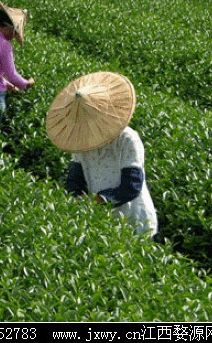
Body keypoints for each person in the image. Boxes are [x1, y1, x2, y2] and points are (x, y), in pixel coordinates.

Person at [46, 72, 159, 237]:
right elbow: (74, 181)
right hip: (105, 222)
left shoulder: (127, 139)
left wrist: (101, 200)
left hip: (134, 217)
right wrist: (75, 201)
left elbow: (132, 185)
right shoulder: (81, 141)